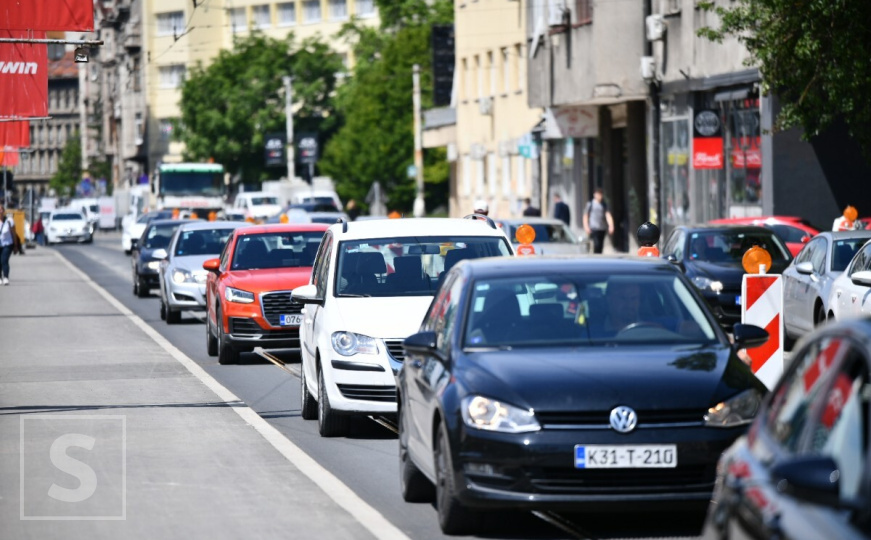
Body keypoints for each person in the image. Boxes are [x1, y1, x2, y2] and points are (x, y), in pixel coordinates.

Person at [582, 188, 614, 254]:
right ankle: (596, 256)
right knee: (596, 244)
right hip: (593, 228)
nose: (599, 196)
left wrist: (611, 226)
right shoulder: (590, 204)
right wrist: (586, 227)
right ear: (594, 195)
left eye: (600, 194)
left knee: (600, 245)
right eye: (598, 194)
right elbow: (585, 216)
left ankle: (599, 257)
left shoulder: (604, 204)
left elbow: (608, 215)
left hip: (602, 228)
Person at [1, 204, 22, 285]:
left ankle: (6, 277)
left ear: (3, 211)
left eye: (1, 209)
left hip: (7, 244)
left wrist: (15, 246)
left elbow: (14, 233)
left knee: (4, 260)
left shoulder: (9, 221)